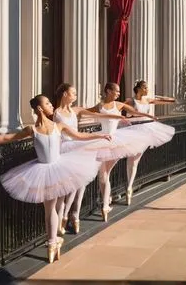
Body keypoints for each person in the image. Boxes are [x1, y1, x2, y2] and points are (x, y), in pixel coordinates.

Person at [0, 94, 111, 264]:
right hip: (46, 172)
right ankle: (53, 241)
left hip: (58, 168)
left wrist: (100, 136)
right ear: (40, 108)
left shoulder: (56, 126)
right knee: (52, 208)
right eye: (48, 103)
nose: (51, 105)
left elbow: (79, 135)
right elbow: (5, 138)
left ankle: (52, 242)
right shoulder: (32, 129)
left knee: (52, 208)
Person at [53, 82, 135, 235]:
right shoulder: (56, 113)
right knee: (71, 186)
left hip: (78, 147)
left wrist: (119, 117)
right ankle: (64, 217)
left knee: (81, 182)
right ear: (65, 94)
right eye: (73, 93)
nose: (76, 96)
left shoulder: (76, 110)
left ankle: (74, 216)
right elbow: (67, 134)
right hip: (66, 149)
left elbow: (99, 115)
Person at [91, 82, 175, 221]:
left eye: (119, 91)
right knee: (105, 172)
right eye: (116, 91)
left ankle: (119, 193)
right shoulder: (123, 102)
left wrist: (151, 115)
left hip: (127, 135)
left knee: (115, 169)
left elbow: (140, 109)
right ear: (108, 91)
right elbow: (88, 111)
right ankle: (107, 202)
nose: (118, 93)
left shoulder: (122, 103)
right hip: (113, 136)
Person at [124, 80, 175, 205]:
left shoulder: (147, 100)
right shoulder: (130, 100)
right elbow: (121, 109)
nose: (147, 90)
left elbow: (171, 101)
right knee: (131, 159)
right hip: (133, 129)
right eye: (145, 87)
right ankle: (128, 187)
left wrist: (163, 97)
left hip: (144, 130)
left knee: (135, 160)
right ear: (139, 88)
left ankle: (129, 187)